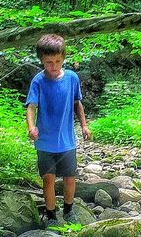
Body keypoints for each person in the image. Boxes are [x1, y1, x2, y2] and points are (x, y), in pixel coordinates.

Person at [25, 34, 92, 223]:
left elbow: (77, 103)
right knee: (48, 179)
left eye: (57, 61)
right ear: (41, 60)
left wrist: (84, 125)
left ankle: (69, 210)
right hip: (45, 142)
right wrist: (31, 127)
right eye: (48, 62)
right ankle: (51, 214)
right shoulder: (38, 81)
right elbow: (31, 106)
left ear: (63, 58)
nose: (53, 66)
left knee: (70, 177)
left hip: (67, 140)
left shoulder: (72, 78)